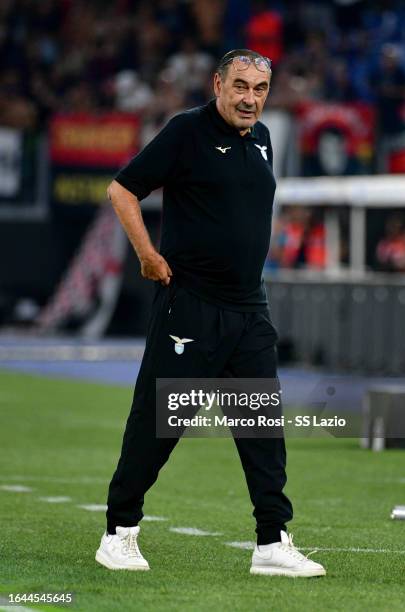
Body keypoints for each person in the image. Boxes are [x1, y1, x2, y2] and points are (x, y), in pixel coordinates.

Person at [95, 48, 326, 578]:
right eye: (240, 87)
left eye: (260, 90)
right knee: (160, 422)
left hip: (249, 308)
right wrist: (148, 256)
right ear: (218, 84)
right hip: (191, 307)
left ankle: (272, 541)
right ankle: (119, 532)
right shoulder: (186, 131)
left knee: (262, 429)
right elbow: (122, 189)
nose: (250, 99)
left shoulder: (263, 140)